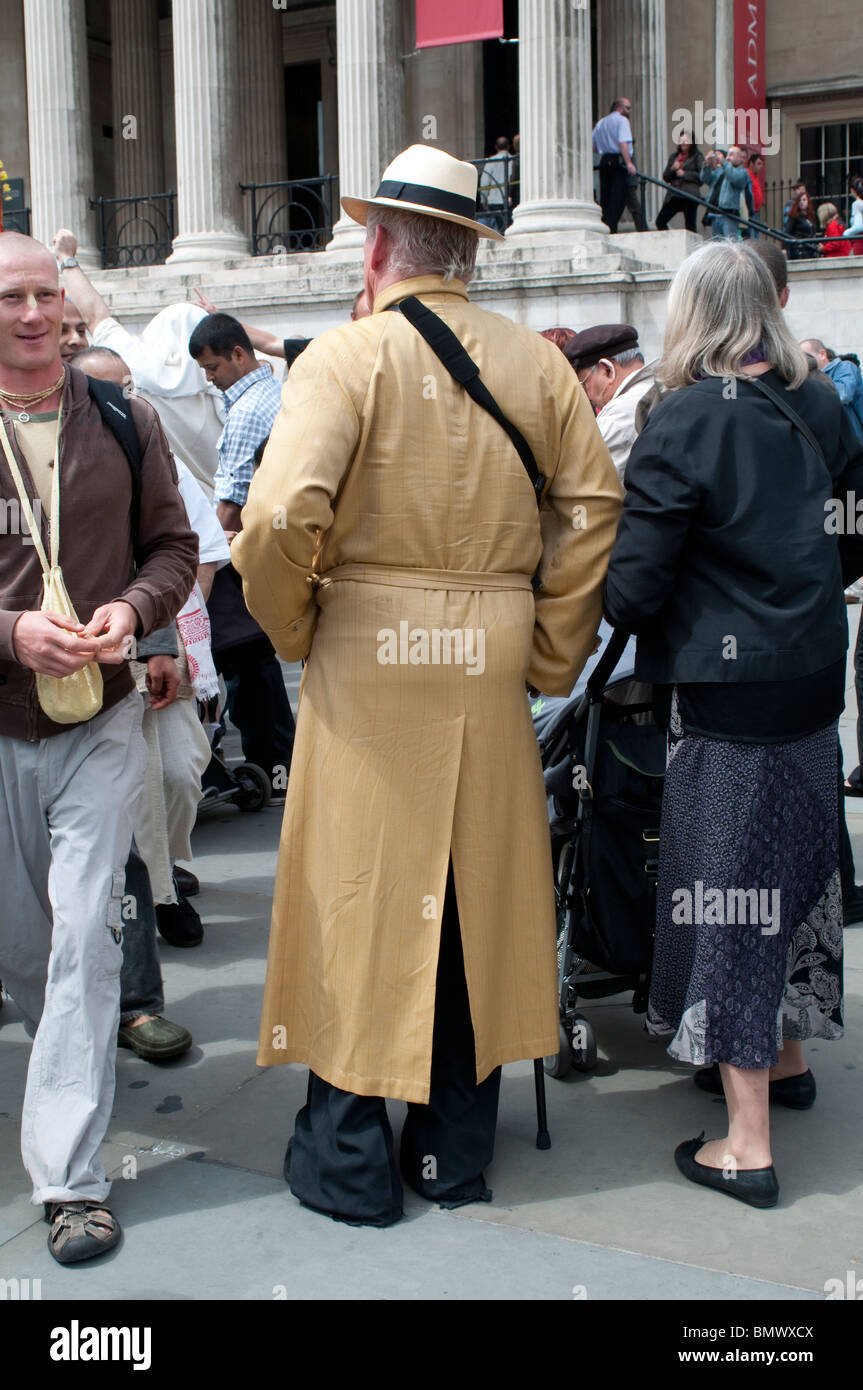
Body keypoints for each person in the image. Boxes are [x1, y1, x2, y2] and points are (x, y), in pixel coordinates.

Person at [232, 143, 622, 1227]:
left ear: (376, 245)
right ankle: (454, 1149)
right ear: (469, 250)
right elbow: (591, 508)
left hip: (368, 649)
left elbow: (274, 518)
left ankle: (350, 1155)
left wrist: (297, 624)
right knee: (474, 893)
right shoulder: (539, 366)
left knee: (359, 894)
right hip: (490, 644)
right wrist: (549, 650)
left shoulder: (345, 359)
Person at [604, 239, 863, 1209]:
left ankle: (744, 1140)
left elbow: (635, 586)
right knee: (794, 871)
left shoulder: (680, 418)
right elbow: (850, 531)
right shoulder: (821, 399)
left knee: (729, 895)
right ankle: (785, 1059)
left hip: (724, 696)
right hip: (807, 678)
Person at [0, 231, 198, 1261]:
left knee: (82, 938)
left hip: (102, 715)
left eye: (47, 297)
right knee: (26, 952)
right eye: (11, 298)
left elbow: (176, 546)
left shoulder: (124, 417)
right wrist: (10, 630)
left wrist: (133, 609)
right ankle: (62, 1082)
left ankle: (70, 1179)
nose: (33, 316)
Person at [70, 344, 228, 954]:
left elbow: (182, 550)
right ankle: (149, 909)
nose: (123, 399)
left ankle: (162, 886)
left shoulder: (145, 440)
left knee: (174, 774)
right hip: (56, 660)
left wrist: (173, 637)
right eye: (107, 388)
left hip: (150, 646)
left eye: (130, 386)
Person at [188, 312, 295, 794]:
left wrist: (210, 555)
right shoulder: (271, 390)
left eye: (213, 368)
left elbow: (231, 498)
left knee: (245, 666)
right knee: (257, 666)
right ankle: (279, 768)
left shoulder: (250, 409)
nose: (210, 379)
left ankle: (272, 769)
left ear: (237, 353)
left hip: (239, 551)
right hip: (267, 546)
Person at [52, 230, 225, 500]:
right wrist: (218, 322)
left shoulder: (138, 367)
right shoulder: (226, 391)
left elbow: (96, 314)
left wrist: (66, 258)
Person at [564, 324, 657, 482]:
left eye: (584, 385)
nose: (587, 397)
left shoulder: (618, 416)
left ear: (607, 370)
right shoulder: (660, 387)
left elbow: (591, 486)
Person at [191, 287, 369, 369]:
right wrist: (219, 317)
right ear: (353, 319)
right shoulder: (332, 348)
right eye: (368, 321)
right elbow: (271, 343)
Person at [800, 337, 863, 442]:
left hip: (854, 441)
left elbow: (843, 394)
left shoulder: (845, 367)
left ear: (822, 354)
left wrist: (813, 375)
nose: (804, 362)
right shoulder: (810, 379)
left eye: (807, 357)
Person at [593, 97, 641, 234]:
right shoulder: (622, 120)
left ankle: (608, 227)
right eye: (628, 108)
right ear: (619, 108)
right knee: (617, 199)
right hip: (618, 162)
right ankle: (610, 229)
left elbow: (593, 146)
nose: (629, 111)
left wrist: (603, 150)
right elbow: (622, 143)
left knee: (606, 199)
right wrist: (629, 163)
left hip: (604, 162)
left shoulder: (601, 123)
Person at [656, 136, 703, 233]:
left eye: (686, 140)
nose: (683, 143)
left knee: (690, 226)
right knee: (660, 221)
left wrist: (685, 174)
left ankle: (692, 247)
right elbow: (666, 177)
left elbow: (701, 177)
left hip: (689, 194)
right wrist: (672, 168)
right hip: (675, 194)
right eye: (681, 140)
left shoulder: (697, 156)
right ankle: (670, 242)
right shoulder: (674, 156)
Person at [702, 145, 750, 240]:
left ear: (740, 158)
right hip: (715, 214)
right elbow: (705, 179)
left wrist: (723, 162)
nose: (727, 157)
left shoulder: (742, 173)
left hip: (729, 216)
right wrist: (707, 165)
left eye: (731, 155)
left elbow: (734, 178)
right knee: (716, 247)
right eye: (727, 154)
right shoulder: (721, 171)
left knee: (730, 244)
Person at [477, 136, 513, 234]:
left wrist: (483, 199)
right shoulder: (513, 160)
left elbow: (485, 181)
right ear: (509, 147)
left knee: (498, 228)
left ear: (496, 147)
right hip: (507, 199)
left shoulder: (491, 161)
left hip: (493, 200)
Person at [785, 189, 821, 259]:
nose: (802, 202)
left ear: (808, 201)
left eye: (804, 200)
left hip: (810, 248)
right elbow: (788, 232)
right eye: (800, 200)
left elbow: (815, 231)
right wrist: (785, 248)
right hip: (799, 249)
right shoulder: (794, 216)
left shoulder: (812, 216)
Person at [841, 175, 863, 254]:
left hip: (860, 242)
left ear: (853, 190)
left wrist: (846, 233)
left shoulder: (857, 204)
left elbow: (859, 226)